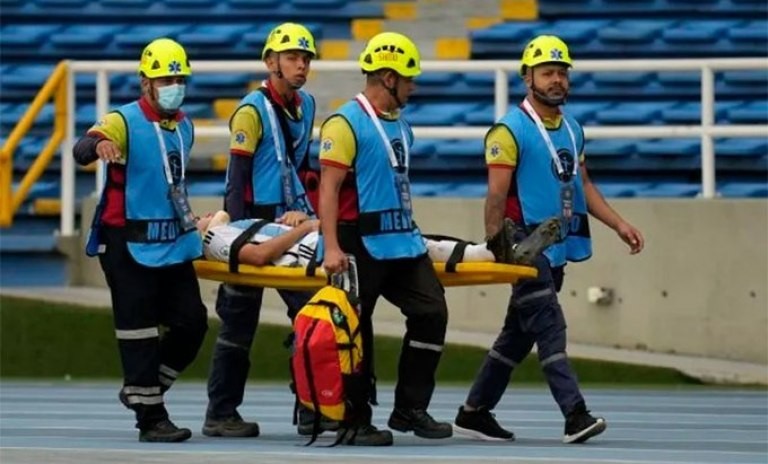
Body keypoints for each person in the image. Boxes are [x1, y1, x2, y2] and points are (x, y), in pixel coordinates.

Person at [452, 35, 645, 444]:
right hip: (524, 247)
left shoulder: (573, 128)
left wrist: (618, 223)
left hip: (555, 246)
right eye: (547, 72)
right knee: (549, 324)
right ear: (528, 78)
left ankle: (474, 412)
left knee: (516, 337)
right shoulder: (509, 130)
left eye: (562, 72)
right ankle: (575, 414)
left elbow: (584, 184)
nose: (557, 79)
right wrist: (497, 246)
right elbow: (496, 197)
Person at [317, 31, 460, 446]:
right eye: (408, 78)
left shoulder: (402, 127)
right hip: (356, 240)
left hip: (401, 240)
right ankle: (354, 419)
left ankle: (409, 408)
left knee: (431, 311)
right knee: (354, 331)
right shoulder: (345, 123)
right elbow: (327, 190)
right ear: (386, 77)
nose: (413, 85)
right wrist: (331, 246)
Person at [72, 38, 208, 443]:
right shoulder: (123, 121)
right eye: (166, 78)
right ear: (146, 82)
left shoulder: (185, 125)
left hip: (173, 243)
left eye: (179, 78)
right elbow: (82, 148)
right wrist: (100, 144)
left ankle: (143, 389)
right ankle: (151, 417)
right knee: (139, 330)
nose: (174, 85)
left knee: (193, 324)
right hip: (125, 243)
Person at [203, 22, 322, 438]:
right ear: (271, 62)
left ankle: (311, 407)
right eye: (292, 57)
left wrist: (304, 214)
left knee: (312, 313)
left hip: (289, 227)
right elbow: (236, 182)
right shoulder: (250, 111)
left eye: (305, 59)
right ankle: (220, 413)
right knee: (237, 326)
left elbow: (305, 170)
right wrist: (236, 238)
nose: (301, 65)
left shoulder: (307, 105)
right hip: (252, 226)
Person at [197, 210, 561, 268]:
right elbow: (258, 258)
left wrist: (298, 218)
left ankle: (493, 252)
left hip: (317, 235)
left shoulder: (241, 222)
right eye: (196, 219)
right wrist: (304, 228)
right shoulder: (214, 237)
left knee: (412, 238)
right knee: (411, 243)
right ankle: (493, 254)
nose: (201, 215)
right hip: (317, 248)